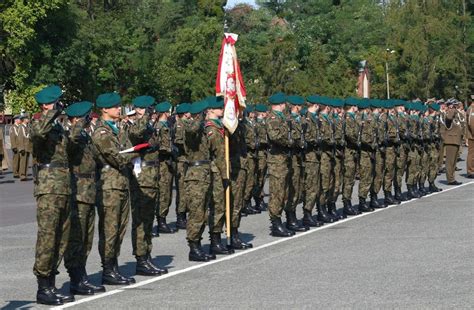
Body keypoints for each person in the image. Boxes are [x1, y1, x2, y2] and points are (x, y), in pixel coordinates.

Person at [31, 85, 74, 305]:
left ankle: (52, 283)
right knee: (48, 237)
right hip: (48, 189)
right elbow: (38, 133)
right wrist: (51, 113)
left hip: (63, 187)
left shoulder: (58, 126)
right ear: (47, 104)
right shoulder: (39, 122)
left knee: (61, 237)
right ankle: (42, 286)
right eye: (56, 103)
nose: (60, 106)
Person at [92, 92, 138, 285]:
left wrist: (134, 151)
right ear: (105, 109)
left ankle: (114, 265)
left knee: (120, 227)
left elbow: (127, 148)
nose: (118, 109)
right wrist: (136, 153)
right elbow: (117, 157)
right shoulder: (101, 132)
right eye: (115, 106)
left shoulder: (118, 129)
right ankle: (108, 269)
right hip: (109, 184)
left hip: (121, 182)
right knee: (110, 228)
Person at [63, 101, 105, 295]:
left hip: (89, 190)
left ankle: (82, 274)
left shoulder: (86, 136)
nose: (90, 120)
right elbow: (70, 145)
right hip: (78, 192)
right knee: (76, 239)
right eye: (87, 117)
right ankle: (75, 277)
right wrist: (78, 124)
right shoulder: (70, 135)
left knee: (86, 238)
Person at [128, 96, 168, 276]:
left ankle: (147, 254)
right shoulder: (133, 124)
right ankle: (141, 258)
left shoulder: (149, 125)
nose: (151, 111)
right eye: (147, 109)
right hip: (141, 177)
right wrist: (144, 117)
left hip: (152, 176)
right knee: (141, 220)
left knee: (148, 220)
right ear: (139, 109)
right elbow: (136, 134)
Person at [183, 100, 215, 261]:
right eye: (205, 112)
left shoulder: (202, 129)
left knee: (203, 212)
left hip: (204, 173)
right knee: (196, 212)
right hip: (195, 175)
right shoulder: (189, 126)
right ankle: (193, 247)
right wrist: (199, 119)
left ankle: (199, 244)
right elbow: (192, 129)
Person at [205, 96, 234, 255]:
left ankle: (218, 238)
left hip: (219, 170)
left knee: (221, 204)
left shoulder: (219, 127)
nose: (222, 110)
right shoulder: (212, 129)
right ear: (211, 110)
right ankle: (215, 241)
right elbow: (219, 155)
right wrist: (225, 174)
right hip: (216, 172)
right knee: (217, 205)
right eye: (220, 108)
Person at [266, 92, 295, 237]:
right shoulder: (273, 118)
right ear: (281, 104)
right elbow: (275, 136)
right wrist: (289, 141)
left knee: (283, 191)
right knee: (277, 192)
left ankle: (280, 220)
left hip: (283, 159)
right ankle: (275, 223)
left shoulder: (281, 118)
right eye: (284, 104)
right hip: (276, 160)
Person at [154, 101, 177, 234]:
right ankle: (161, 222)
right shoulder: (160, 127)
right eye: (168, 112)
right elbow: (159, 146)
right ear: (165, 113)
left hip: (167, 163)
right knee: (163, 193)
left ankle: (162, 219)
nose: (170, 114)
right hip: (162, 163)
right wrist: (170, 149)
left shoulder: (165, 125)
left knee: (166, 192)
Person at [173, 103, 191, 229]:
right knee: (182, 190)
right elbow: (178, 142)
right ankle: (180, 217)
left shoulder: (185, 124)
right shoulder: (179, 125)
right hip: (181, 160)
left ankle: (184, 215)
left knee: (186, 189)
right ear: (185, 113)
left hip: (186, 160)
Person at [442, 100, 463, 185]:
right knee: (450, 162)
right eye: (453, 105)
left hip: (456, 140)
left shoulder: (456, 115)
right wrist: (452, 109)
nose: (455, 107)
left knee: (454, 162)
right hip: (451, 141)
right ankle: (450, 179)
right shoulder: (448, 114)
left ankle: (452, 177)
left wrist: (456, 110)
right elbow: (449, 118)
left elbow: (462, 119)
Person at [18, 114, 32, 181]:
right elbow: (20, 138)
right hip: (24, 147)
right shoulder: (21, 127)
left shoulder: (27, 127)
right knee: (23, 162)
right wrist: (21, 148)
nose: (28, 120)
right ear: (24, 119)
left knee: (26, 162)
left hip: (28, 147)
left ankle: (25, 175)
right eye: (27, 119)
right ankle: (22, 175)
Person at [466, 97, 474, 178]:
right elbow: (472, 123)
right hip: (472, 136)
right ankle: (470, 171)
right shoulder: (471, 109)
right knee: (472, 154)